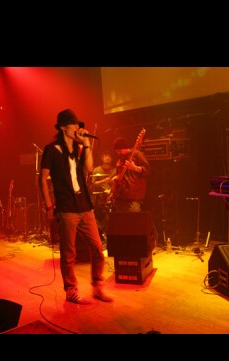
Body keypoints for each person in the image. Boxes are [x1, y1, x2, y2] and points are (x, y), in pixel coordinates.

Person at [38, 108, 113, 305]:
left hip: (85, 206)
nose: (78, 128)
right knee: (68, 253)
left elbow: (89, 168)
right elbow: (43, 178)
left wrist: (86, 143)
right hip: (66, 208)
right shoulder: (51, 149)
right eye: (75, 125)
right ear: (63, 127)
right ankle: (71, 291)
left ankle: (98, 285)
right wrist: (49, 206)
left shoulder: (79, 149)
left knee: (97, 248)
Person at [110, 135, 151, 212]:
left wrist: (135, 168)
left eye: (119, 150)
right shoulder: (120, 161)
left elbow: (147, 170)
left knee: (133, 217)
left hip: (133, 197)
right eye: (117, 151)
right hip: (121, 197)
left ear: (124, 147)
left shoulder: (137, 155)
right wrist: (114, 180)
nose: (118, 153)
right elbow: (118, 176)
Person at [90, 150, 116, 232]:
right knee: (98, 217)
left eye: (109, 156)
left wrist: (111, 191)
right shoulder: (97, 170)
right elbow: (93, 184)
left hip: (112, 197)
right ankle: (100, 231)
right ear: (102, 158)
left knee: (111, 217)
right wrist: (104, 180)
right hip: (99, 198)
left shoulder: (115, 170)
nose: (107, 158)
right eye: (105, 156)